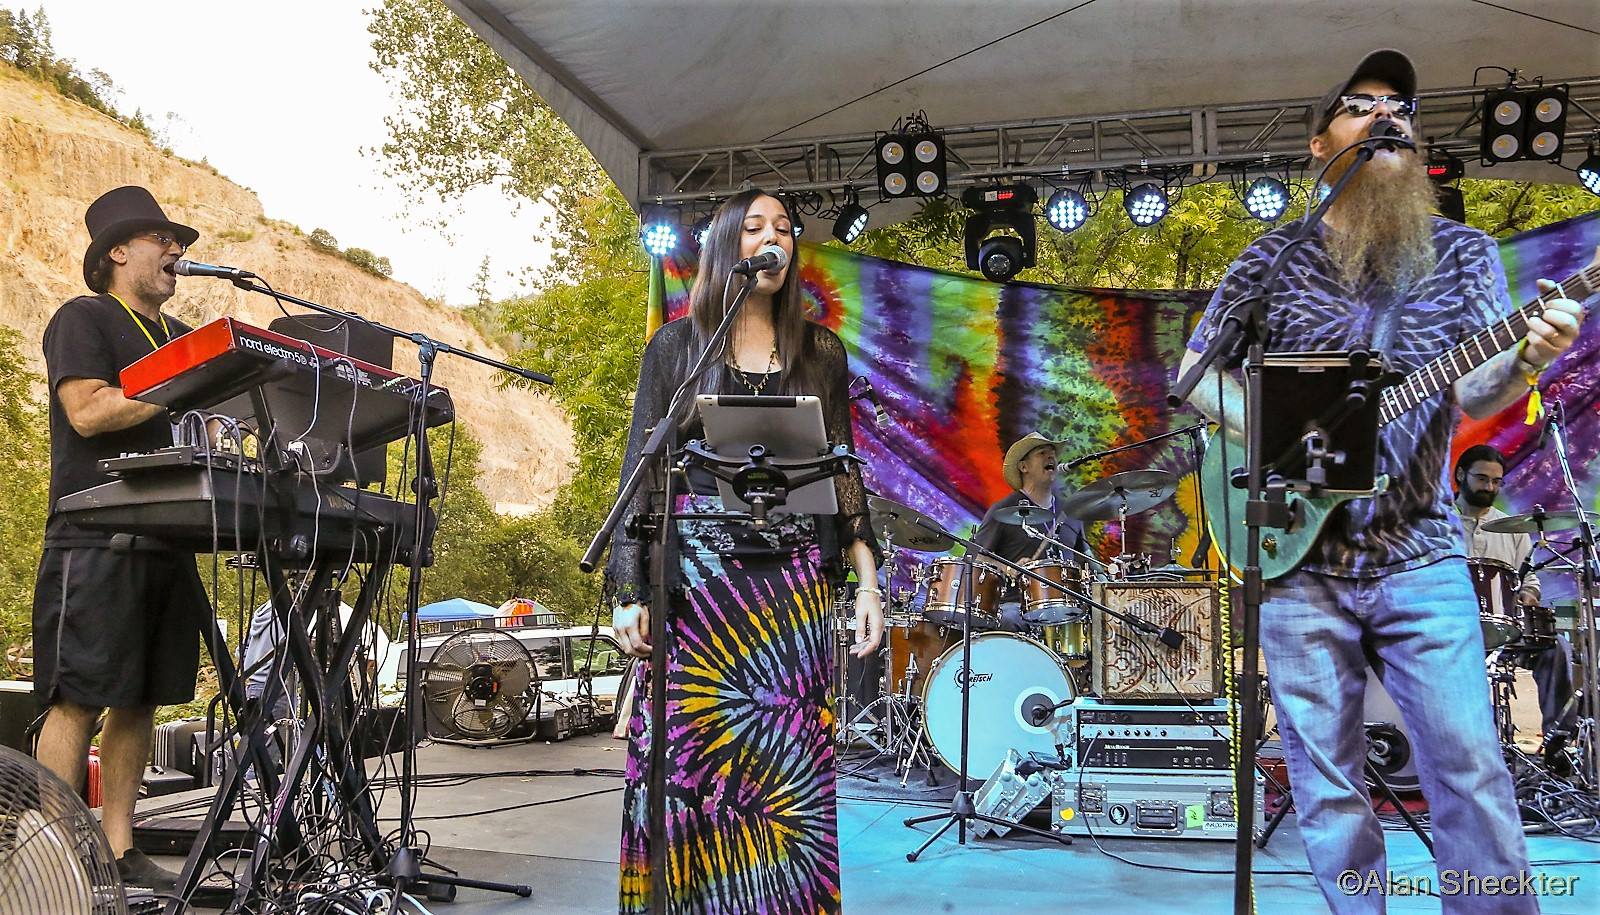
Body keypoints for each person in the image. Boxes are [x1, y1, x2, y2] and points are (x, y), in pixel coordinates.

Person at [1178, 49, 1582, 913]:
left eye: (1400, 106)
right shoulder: (1271, 259)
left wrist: (1529, 359)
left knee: (1469, 770)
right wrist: (1295, 429)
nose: (1387, 115)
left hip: (1420, 555)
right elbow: (1193, 377)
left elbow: (1476, 386)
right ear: (1321, 143)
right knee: (1328, 793)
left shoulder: (1464, 255)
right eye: (1361, 106)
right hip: (1296, 561)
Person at [607, 188, 884, 914]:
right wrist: (627, 588)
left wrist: (867, 586)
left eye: (786, 229)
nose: (776, 239)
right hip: (697, 593)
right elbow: (641, 468)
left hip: (786, 596)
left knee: (782, 772)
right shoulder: (674, 346)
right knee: (692, 771)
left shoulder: (821, 351)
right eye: (757, 227)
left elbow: (845, 472)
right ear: (728, 244)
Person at [32, 186, 209, 892]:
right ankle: (50, 853)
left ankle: (118, 848)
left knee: (139, 697)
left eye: (181, 243)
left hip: (168, 536)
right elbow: (88, 411)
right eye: (163, 239)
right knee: (79, 695)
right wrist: (193, 382)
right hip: (93, 536)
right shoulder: (84, 316)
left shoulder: (176, 336)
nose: (178, 251)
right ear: (116, 251)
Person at [1453, 444, 1575, 741]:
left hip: (1502, 627)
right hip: (1450, 628)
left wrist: (1528, 594)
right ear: (1460, 475)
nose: (1489, 487)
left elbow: (1528, 577)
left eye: (1496, 481)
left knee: (1555, 647)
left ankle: (1560, 740)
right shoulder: (1439, 522)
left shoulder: (1511, 527)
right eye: (1482, 479)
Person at [973, 432, 1089, 631]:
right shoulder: (1003, 510)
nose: (1050, 457)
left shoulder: (1070, 512)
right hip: (1017, 606)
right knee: (1009, 618)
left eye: (1052, 453)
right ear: (1023, 467)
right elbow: (976, 559)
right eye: (1041, 453)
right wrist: (1009, 568)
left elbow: (1085, 561)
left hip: (1068, 609)